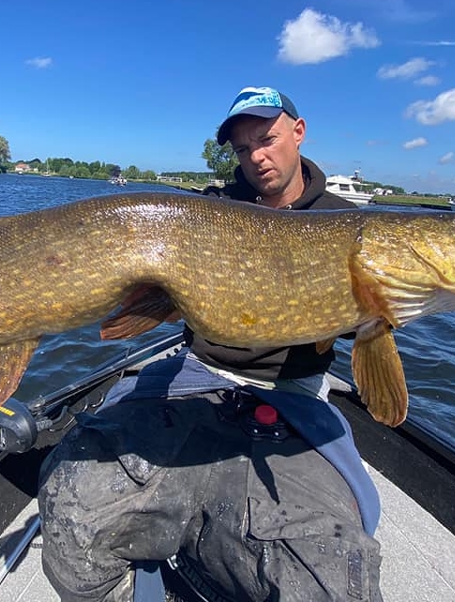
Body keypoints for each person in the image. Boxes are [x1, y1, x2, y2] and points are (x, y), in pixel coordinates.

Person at [38, 87, 383, 601]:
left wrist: (378, 309)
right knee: (70, 515)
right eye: (243, 149)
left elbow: (364, 339)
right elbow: (143, 295)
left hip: (292, 394)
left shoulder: (345, 221)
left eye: (266, 139)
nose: (256, 157)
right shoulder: (211, 211)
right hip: (196, 375)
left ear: (298, 131)